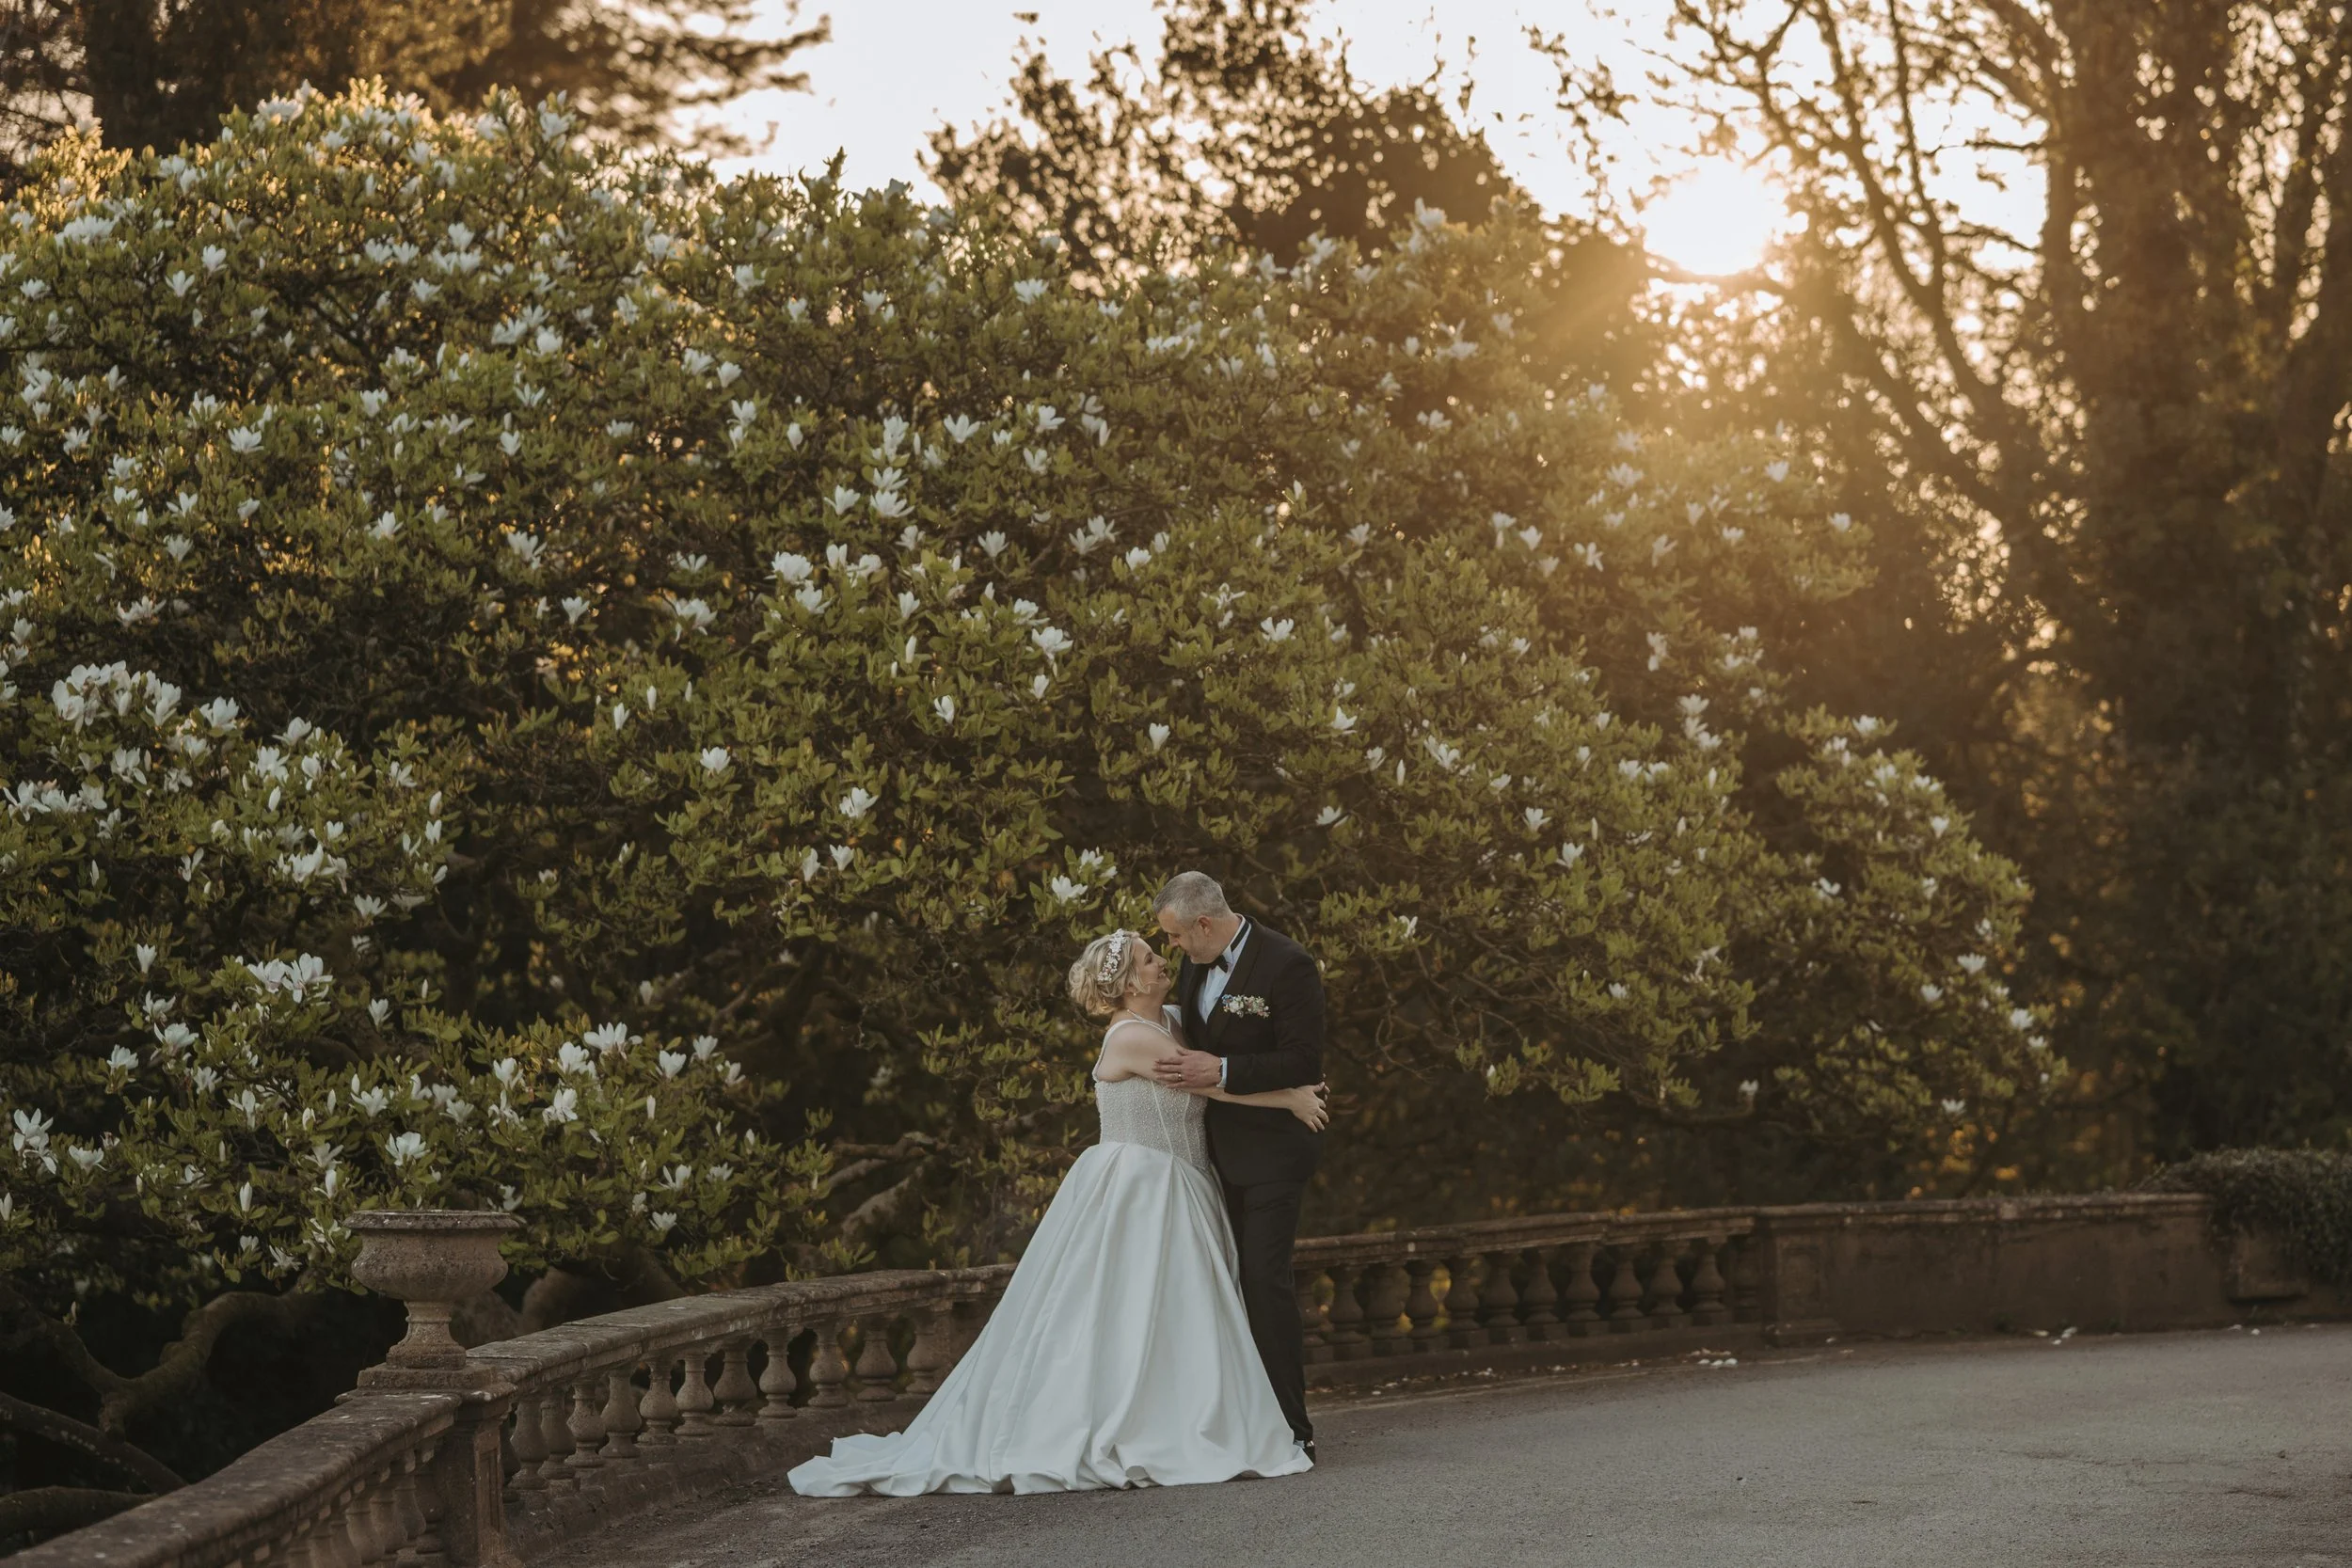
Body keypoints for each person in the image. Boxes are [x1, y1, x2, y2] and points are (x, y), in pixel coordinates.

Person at [786, 927, 1327, 1496]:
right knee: (1119, 1311)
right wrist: (1290, 1096)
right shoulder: (1131, 1038)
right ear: (1127, 982)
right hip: (1141, 1184)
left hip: (1188, 1181)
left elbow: (1227, 1057)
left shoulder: (1172, 1016)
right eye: (1149, 957)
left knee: (1173, 1313)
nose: (1161, 960)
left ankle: (1183, 1411)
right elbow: (1211, 1083)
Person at [1149, 871, 1326, 1458]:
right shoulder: (1196, 962)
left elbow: (1303, 1059)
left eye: (1175, 937)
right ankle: (1234, 1421)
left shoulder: (1287, 964)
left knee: (1264, 1281)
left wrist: (1221, 1071)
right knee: (1219, 1284)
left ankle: (1290, 1429)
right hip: (1210, 1152)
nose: (1173, 949)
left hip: (1274, 1152)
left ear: (1203, 924)